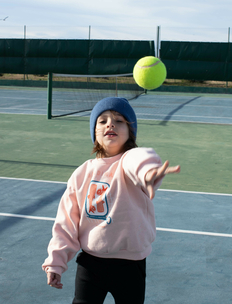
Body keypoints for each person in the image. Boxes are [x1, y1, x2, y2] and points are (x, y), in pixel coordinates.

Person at [42, 97, 180, 304]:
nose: (110, 124)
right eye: (102, 120)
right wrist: (55, 262)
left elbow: (141, 159)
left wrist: (149, 174)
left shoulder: (130, 160)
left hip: (130, 266)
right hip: (91, 264)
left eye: (119, 120)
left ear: (130, 132)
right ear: (95, 133)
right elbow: (66, 223)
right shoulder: (82, 174)